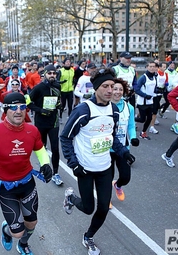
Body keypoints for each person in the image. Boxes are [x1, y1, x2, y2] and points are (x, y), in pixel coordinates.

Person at [60, 68, 135, 255]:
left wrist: (124, 152)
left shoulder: (114, 110)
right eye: (105, 86)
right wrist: (73, 164)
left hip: (104, 167)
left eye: (112, 86)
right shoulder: (83, 110)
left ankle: (89, 236)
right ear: (96, 88)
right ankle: (71, 198)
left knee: (103, 207)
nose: (110, 90)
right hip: (84, 168)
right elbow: (65, 137)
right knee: (87, 208)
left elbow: (112, 137)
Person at [0, 92, 53, 255]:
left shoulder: (32, 130)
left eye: (22, 107)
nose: (18, 111)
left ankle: (23, 244)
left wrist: (45, 164)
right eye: (13, 108)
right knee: (16, 232)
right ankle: (6, 230)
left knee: (31, 223)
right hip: (6, 187)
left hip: (27, 183)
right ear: (5, 110)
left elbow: (40, 150)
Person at [27, 65, 64, 186]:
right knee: (41, 146)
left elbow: (58, 101)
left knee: (55, 148)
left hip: (53, 122)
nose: (52, 75)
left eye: (54, 73)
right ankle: (44, 166)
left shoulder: (58, 86)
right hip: (41, 122)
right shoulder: (38, 88)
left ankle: (56, 173)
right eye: (50, 73)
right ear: (45, 75)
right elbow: (28, 102)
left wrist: (59, 106)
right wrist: (40, 110)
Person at [110, 78, 139, 202]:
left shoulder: (129, 107)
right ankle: (106, 199)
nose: (117, 92)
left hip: (123, 148)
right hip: (107, 149)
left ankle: (117, 185)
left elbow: (131, 126)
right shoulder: (104, 106)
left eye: (120, 89)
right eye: (115, 89)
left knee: (126, 177)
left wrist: (133, 138)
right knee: (106, 177)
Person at [134, 61, 158, 140]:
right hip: (142, 102)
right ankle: (131, 119)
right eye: (150, 66)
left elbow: (154, 87)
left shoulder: (154, 77)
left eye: (153, 66)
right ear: (147, 67)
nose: (152, 68)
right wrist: (145, 95)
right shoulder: (143, 77)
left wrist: (158, 91)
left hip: (150, 101)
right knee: (142, 119)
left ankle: (143, 132)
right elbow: (136, 89)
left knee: (150, 118)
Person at [149, 62, 169, 134]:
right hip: (154, 92)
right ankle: (140, 117)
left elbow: (166, 81)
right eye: (163, 67)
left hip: (161, 92)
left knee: (156, 107)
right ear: (159, 67)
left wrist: (166, 84)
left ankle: (153, 122)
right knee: (151, 107)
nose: (164, 68)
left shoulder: (166, 74)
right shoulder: (156, 73)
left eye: (165, 67)